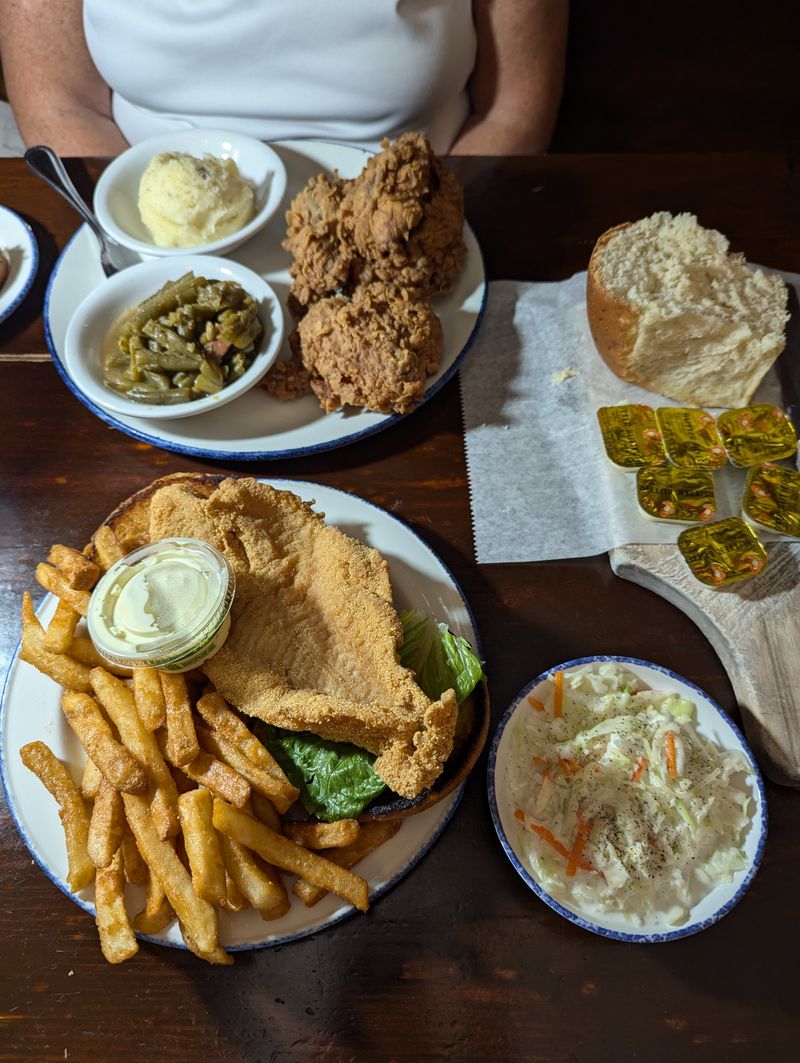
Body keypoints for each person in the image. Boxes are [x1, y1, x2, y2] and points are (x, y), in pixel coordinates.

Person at [0, 0, 568, 157]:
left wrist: (427, 235)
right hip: (146, 220)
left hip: (418, 217)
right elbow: (59, 103)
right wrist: (139, 239)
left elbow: (512, 112)